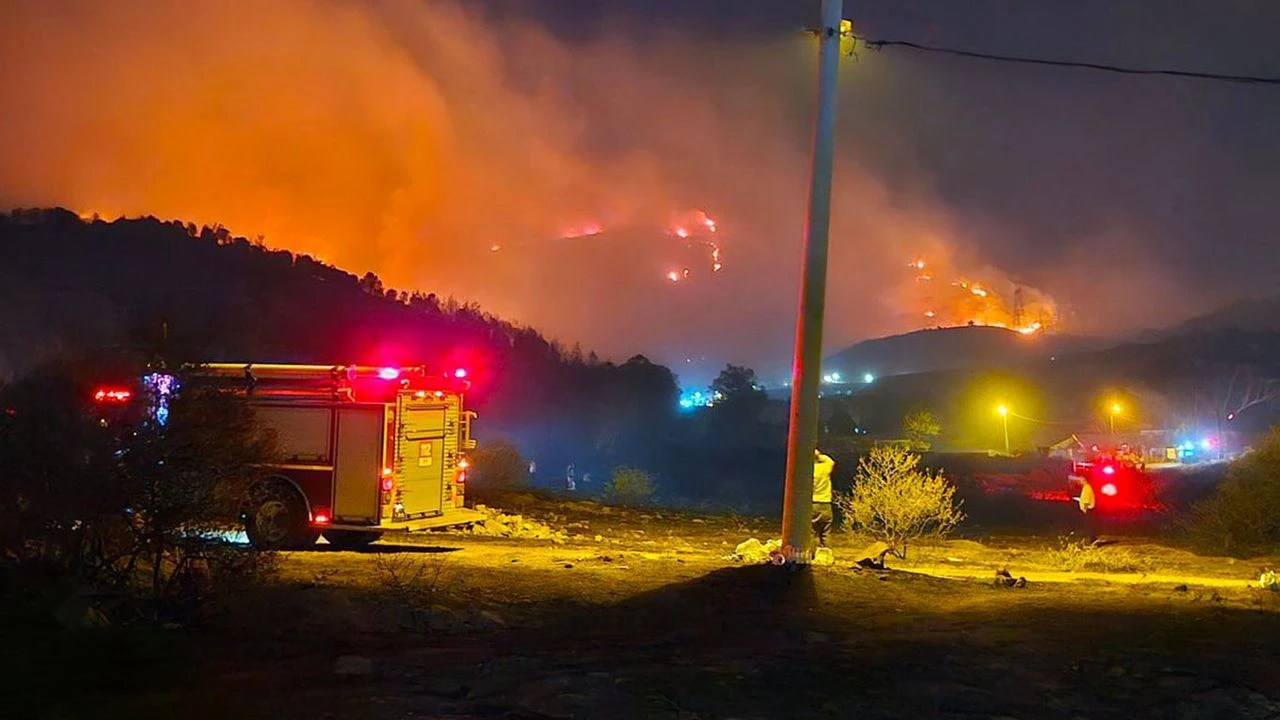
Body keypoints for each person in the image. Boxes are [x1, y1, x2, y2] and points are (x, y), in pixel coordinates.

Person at [812, 448, 835, 548]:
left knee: (811, 532)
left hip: (813, 503)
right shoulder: (825, 467)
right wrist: (818, 455)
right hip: (826, 503)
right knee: (826, 532)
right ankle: (827, 552)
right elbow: (830, 461)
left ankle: (811, 552)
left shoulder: (809, 470)